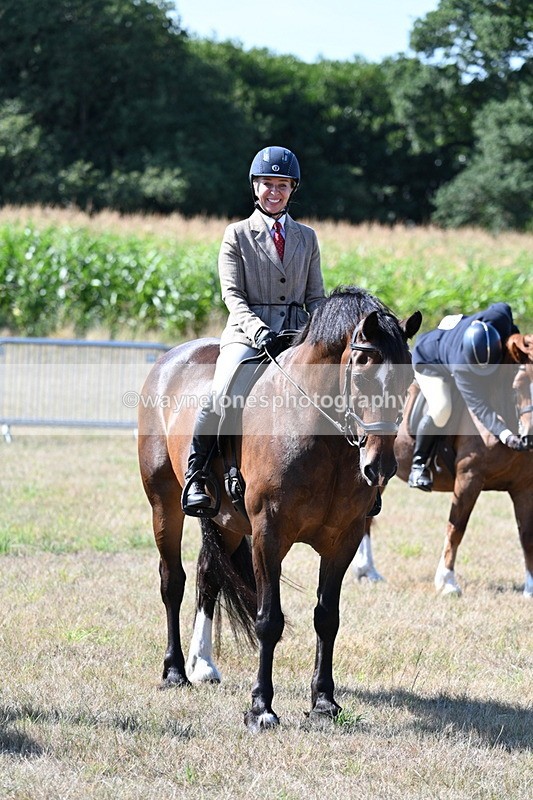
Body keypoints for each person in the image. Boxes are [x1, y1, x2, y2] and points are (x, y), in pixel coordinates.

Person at [182, 145, 326, 514]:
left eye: (281, 185)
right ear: (254, 187)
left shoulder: (307, 237)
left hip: (297, 332)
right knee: (221, 392)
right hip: (248, 332)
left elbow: (316, 296)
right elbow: (232, 294)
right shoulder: (237, 234)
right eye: (266, 184)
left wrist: (320, 331)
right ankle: (198, 475)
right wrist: (258, 329)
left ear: (293, 188)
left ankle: (353, 482)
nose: (273, 192)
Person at [408, 302, 527, 491]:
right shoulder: (461, 368)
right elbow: (480, 407)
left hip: (461, 332)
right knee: (442, 408)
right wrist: (506, 435)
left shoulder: (500, 317)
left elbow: (503, 306)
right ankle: (419, 465)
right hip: (429, 361)